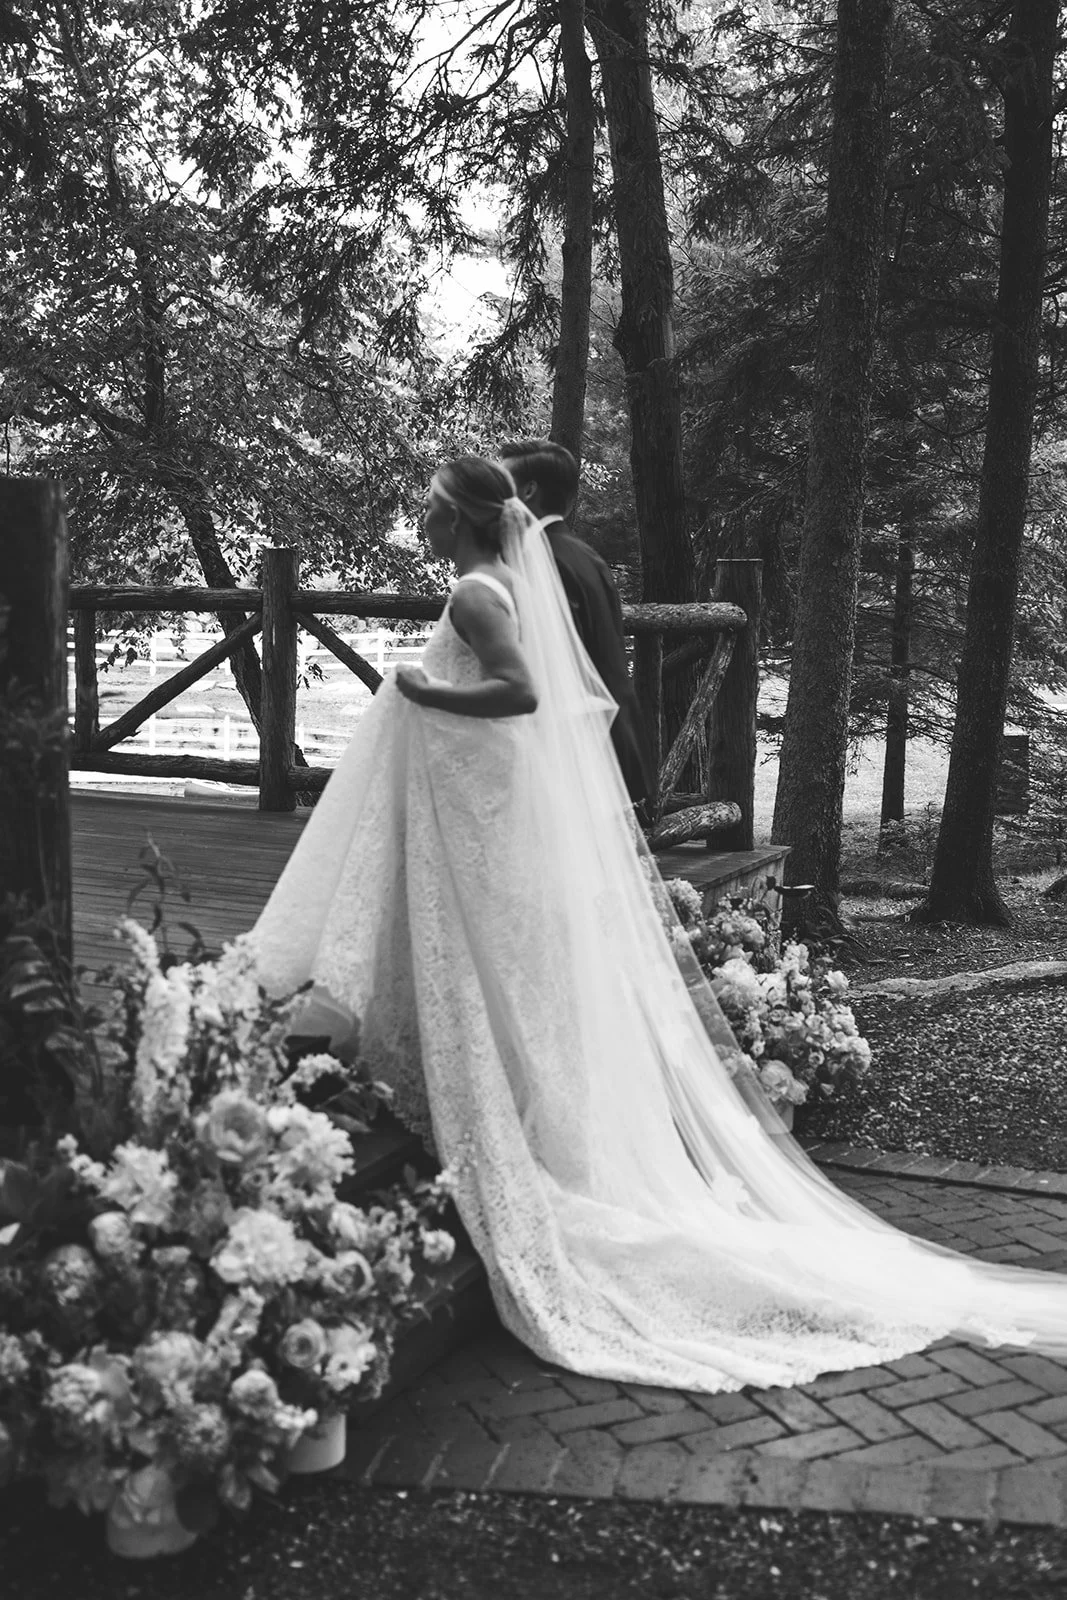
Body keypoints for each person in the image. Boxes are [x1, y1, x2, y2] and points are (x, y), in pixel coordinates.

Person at [252, 455, 1067, 1394]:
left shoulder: (479, 595)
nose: (424, 525)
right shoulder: (502, 580)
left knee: (482, 963)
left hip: (474, 810)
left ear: (465, 520)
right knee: (486, 963)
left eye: (434, 512)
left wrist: (425, 692)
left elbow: (522, 693)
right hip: (472, 812)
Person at [498, 439, 655, 822]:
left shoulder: (537, 560)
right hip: (615, 737)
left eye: (501, 482)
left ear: (528, 490)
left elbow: (551, 664)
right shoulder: (585, 555)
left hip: (574, 752)